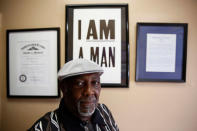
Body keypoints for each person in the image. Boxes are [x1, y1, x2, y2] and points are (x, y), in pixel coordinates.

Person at [28, 58, 119, 131]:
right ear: (64, 88)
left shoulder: (103, 110)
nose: (89, 91)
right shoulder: (44, 127)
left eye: (95, 83)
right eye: (80, 84)